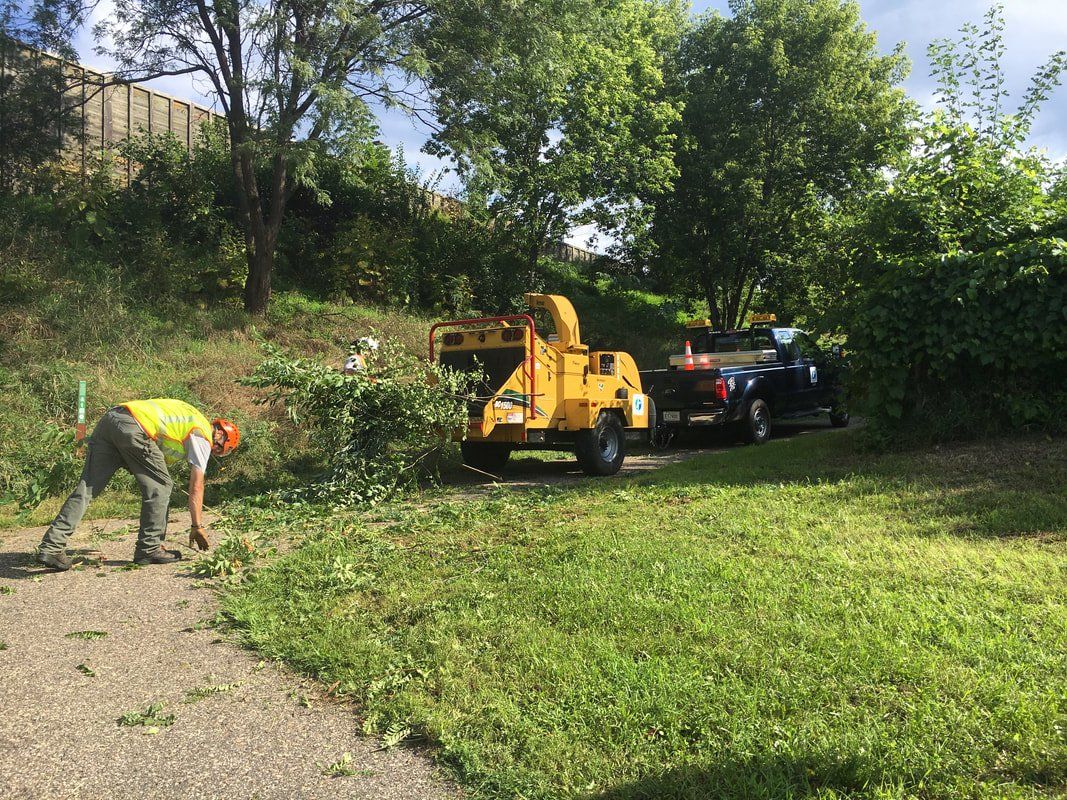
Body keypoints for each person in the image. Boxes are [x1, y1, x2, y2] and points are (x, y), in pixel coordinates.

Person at [36, 399, 240, 571]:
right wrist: (197, 526)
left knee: (87, 488)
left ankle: (52, 547)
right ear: (220, 436)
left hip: (111, 419)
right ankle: (149, 549)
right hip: (135, 427)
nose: (216, 452)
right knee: (161, 486)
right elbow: (196, 486)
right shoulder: (202, 434)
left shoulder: (190, 414)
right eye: (222, 449)